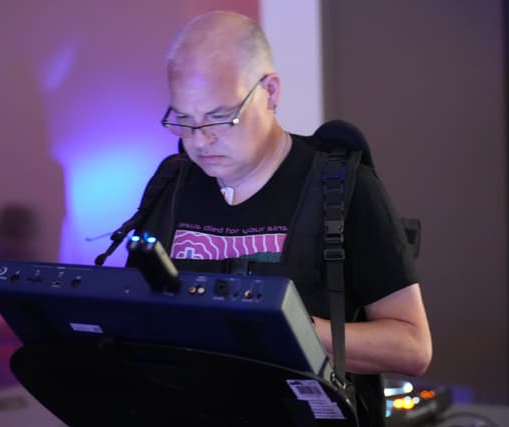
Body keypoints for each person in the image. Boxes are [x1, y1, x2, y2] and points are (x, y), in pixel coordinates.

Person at [126, 10, 432, 427]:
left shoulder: (343, 187)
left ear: (269, 91)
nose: (200, 139)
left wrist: (280, 323)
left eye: (219, 116)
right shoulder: (171, 185)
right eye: (183, 119)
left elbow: (412, 348)